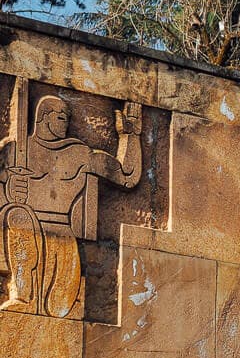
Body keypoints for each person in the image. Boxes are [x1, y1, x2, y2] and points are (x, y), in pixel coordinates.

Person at [0, 94, 142, 319]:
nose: (66, 122)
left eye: (67, 117)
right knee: (18, 215)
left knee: (61, 308)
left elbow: (127, 176)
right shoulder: (15, 151)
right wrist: (8, 188)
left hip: (63, 235)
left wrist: (130, 134)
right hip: (25, 229)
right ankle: (21, 293)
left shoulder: (79, 154)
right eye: (61, 116)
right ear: (43, 117)